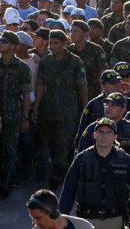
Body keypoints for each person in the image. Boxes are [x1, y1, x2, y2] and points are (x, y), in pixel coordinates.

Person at [34, 29, 88, 190]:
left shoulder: (75, 61)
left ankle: (59, 175)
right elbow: (40, 85)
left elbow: (82, 85)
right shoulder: (45, 62)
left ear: (65, 43)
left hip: (68, 109)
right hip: (48, 108)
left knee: (63, 141)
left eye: (56, 43)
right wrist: (36, 107)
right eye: (50, 43)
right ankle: (64, 167)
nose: (52, 46)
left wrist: (85, 107)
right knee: (52, 141)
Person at [0, 30, 32, 197]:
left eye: (5, 41)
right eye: (0, 40)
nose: (1, 43)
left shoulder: (22, 68)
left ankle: (7, 181)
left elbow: (26, 94)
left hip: (14, 113)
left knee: (10, 148)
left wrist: (25, 117)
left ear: (14, 46)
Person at [26, 189, 93, 229]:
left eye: (38, 218)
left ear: (53, 214)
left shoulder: (83, 226)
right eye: (32, 218)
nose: (34, 222)